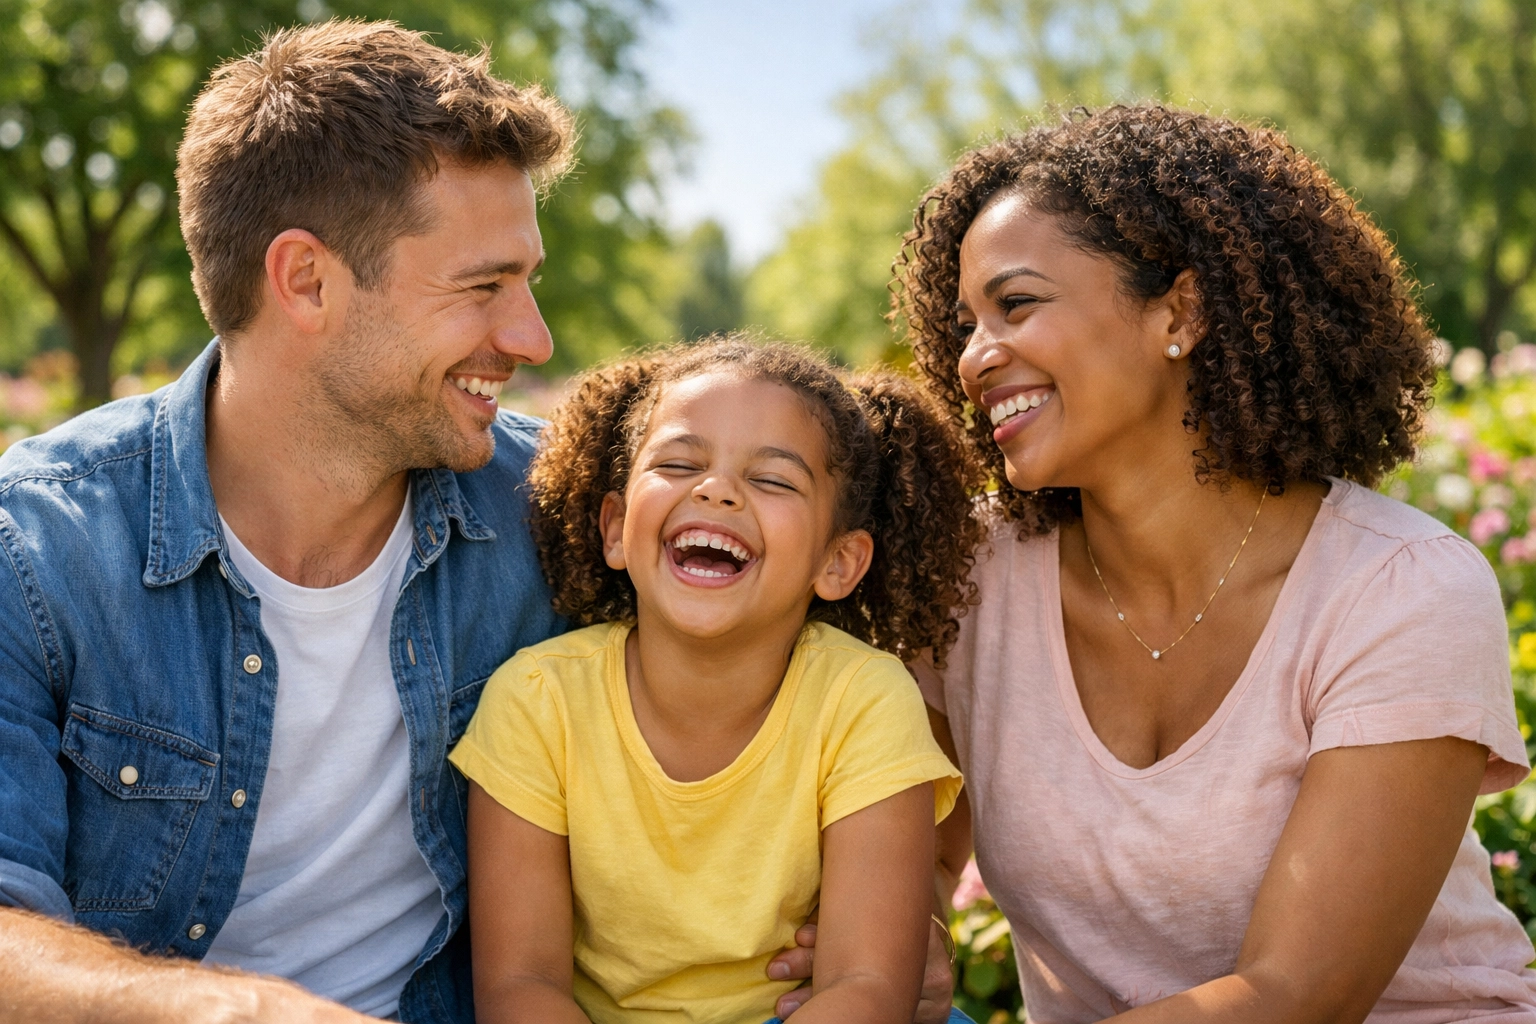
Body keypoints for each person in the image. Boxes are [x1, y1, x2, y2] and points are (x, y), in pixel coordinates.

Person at [888, 104, 1536, 1022]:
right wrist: (902, 941)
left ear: (1180, 312)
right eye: (963, 325)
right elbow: (912, 848)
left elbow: (1295, 997)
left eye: (1017, 304)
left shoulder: (1403, 588)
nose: (975, 358)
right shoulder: (972, 577)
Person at [0, 20, 572, 1023]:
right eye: (484, 286)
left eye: (528, 281)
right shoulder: (40, 548)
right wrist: (256, 1015)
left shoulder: (555, 515)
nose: (532, 336)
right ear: (305, 280)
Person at [447, 337, 977, 1024]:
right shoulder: (537, 702)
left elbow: (867, 989)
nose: (717, 489)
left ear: (839, 561)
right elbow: (522, 987)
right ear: (615, 528)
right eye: (678, 463)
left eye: (773, 480)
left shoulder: (864, 701)